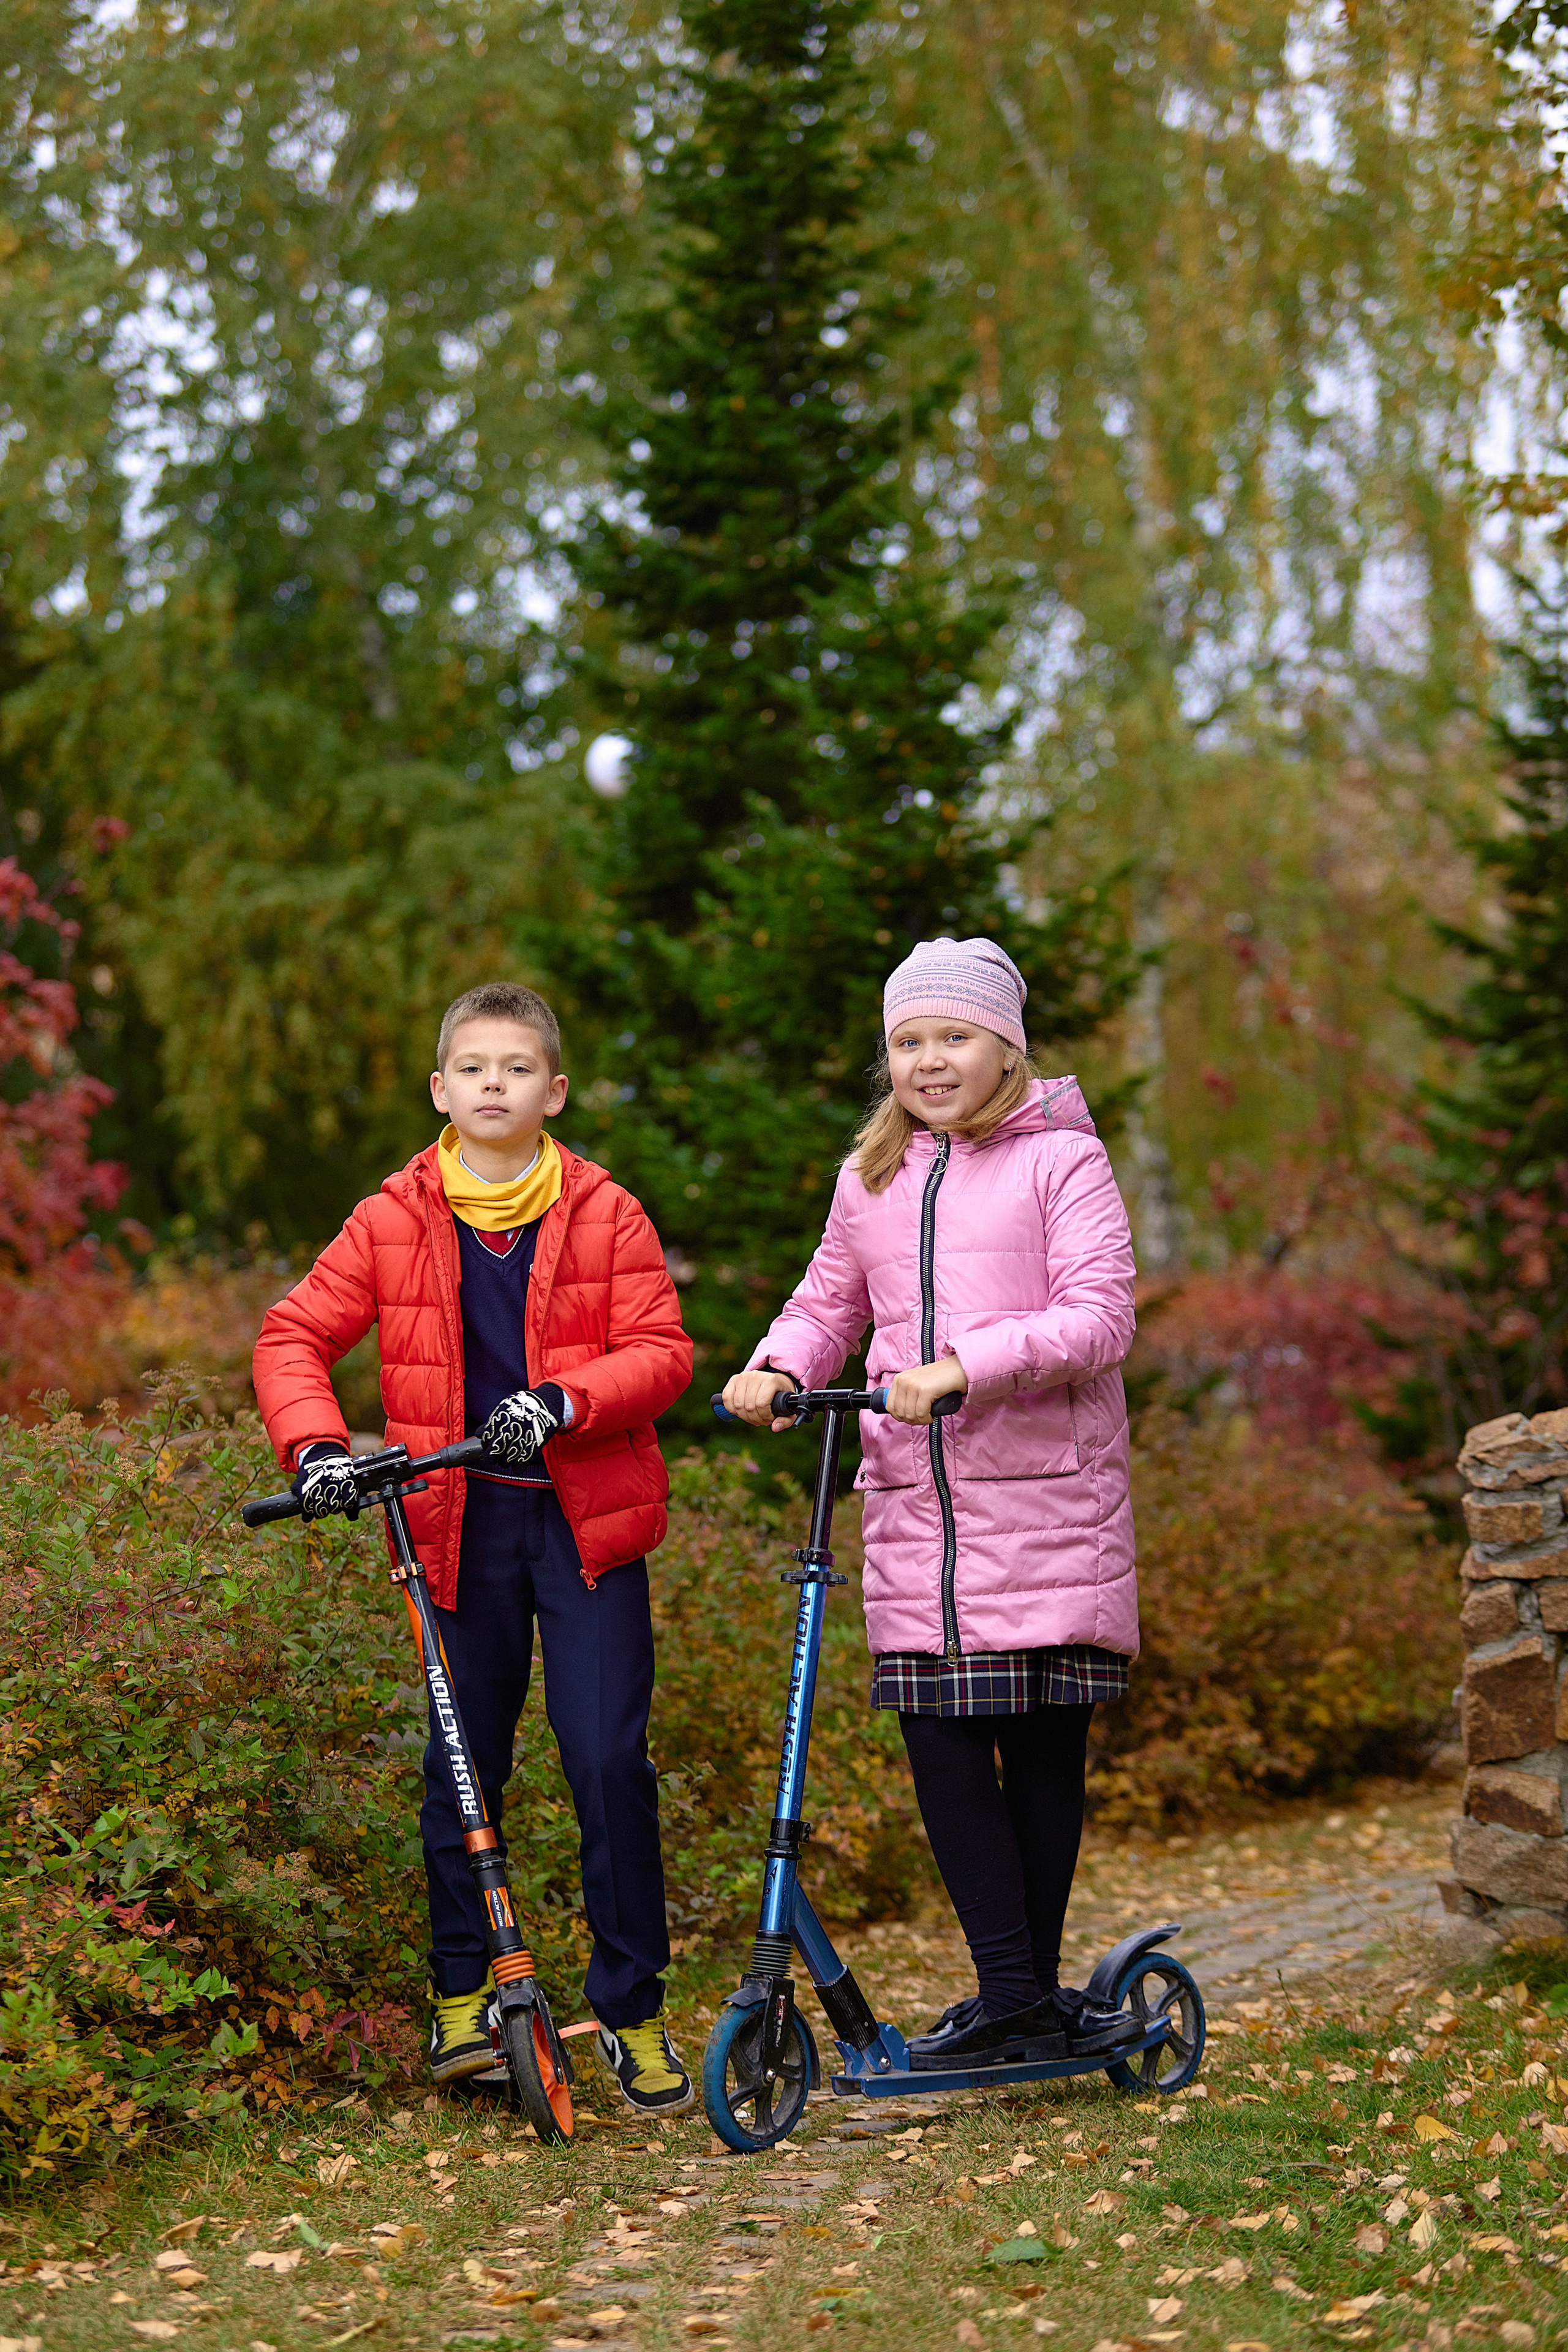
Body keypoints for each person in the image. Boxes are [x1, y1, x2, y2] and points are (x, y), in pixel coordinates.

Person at [252, 981, 695, 2113]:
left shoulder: (607, 1212)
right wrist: (318, 1450)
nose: (495, 1084)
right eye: (473, 1067)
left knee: (607, 1762)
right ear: (440, 1089)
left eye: (518, 1067)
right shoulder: (390, 1218)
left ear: (556, 1091)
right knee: (461, 1765)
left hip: (586, 1527)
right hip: (456, 1527)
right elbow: (294, 1335)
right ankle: (464, 1998)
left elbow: (662, 1352)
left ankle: (632, 2010)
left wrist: (564, 1399)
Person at [722, 937, 1144, 2070]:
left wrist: (967, 1365)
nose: (930, 1060)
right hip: (918, 1516)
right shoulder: (870, 1176)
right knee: (945, 1754)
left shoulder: (1063, 1162)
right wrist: (777, 1366)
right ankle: (1019, 1996)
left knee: (1039, 1761)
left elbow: (1101, 1316)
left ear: (1006, 1047)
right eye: (909, 1041)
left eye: (954, 1036)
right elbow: (828, 1302)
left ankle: (1019, 1998)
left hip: (1047, 1513)